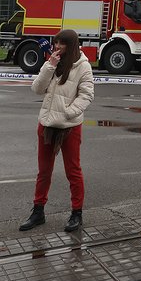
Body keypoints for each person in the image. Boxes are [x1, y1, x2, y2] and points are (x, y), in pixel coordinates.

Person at [20, 30, 95, 233]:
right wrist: (49, 65)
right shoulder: (53, 63)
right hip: (46, 124)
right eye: (56, 43)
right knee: (44, 171)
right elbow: (36, 89)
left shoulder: (83, 66)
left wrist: (68, 112)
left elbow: (86, 95)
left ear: (71, 45)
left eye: (61, 44)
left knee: (73, 171)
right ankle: (38, 211)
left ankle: (76, 213)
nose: (57, 47)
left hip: (69, 127)